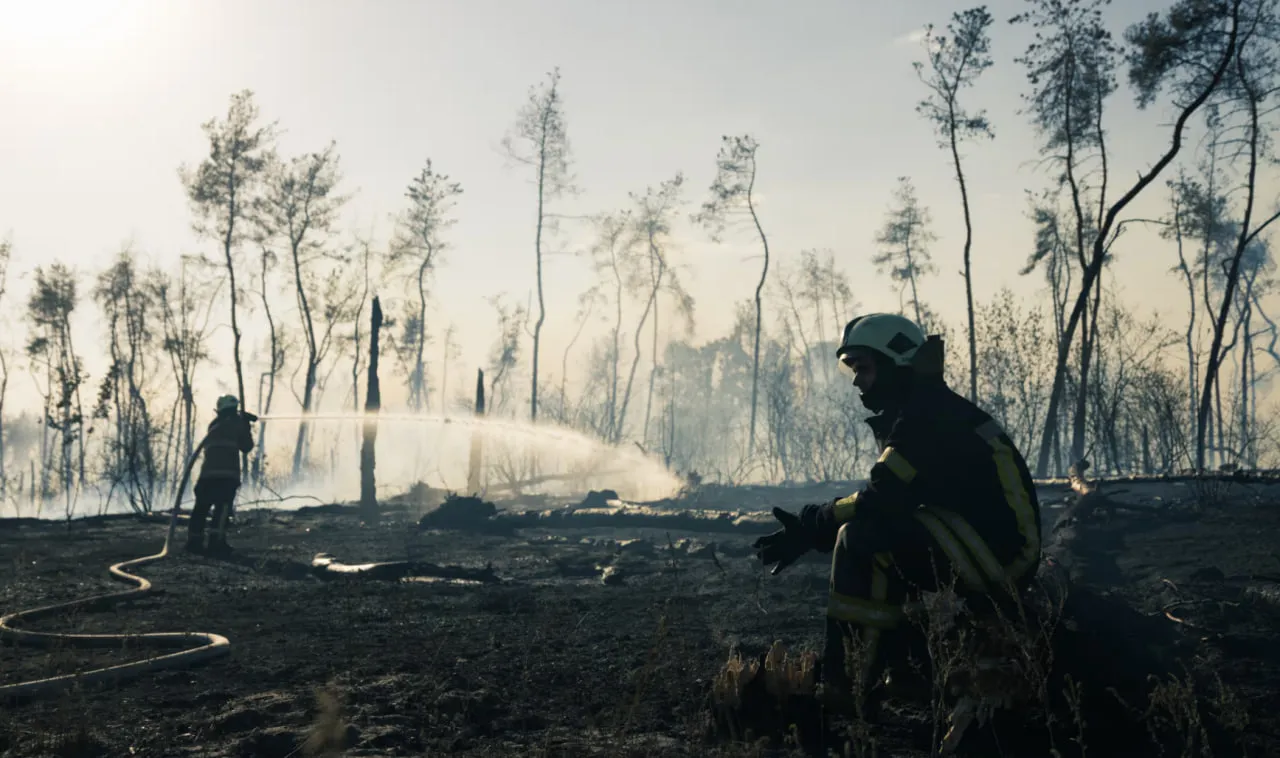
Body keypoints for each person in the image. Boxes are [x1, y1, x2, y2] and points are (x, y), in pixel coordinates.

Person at [753, 313, 1042, 714]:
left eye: (864, 368)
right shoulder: (922, 408)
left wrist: (813, 524)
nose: (856, 381)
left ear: (895, 364)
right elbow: (897, 500)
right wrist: (815, 526)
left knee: (862, 539)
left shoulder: (927, 416)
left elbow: (881, 498)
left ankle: (848, 682)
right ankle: (906, 671)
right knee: (887, 538)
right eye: (852, 369)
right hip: (982, 541)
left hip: (1005, 553)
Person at [186, 394, 255, 555]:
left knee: (201, 508)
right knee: (222, 510)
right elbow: (246, 447)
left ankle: (193, 542)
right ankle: (216, 544)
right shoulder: (237, 423)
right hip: (226, 476)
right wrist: (246, 425)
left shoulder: (214, 425)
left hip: (207, 476)